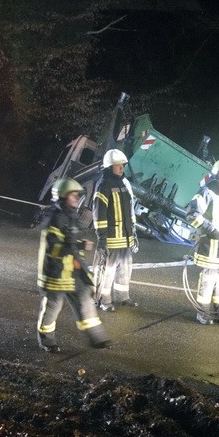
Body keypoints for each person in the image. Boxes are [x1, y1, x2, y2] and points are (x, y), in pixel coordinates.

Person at [36, 177, 110, 352]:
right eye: (73, 195)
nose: (77, 198)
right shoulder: (54, 219)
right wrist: (77, 246)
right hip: (55, 274)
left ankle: (97, 337)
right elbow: (54, 248)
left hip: (72, 271)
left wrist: (80, 252)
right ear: (62, 196)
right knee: (52, 308)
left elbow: (71, 245)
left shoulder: (71, 216)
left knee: (85, 301)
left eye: (78, 195)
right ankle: (47, 341)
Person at [186, 157, 219, 326]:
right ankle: (203, 312)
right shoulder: (207, 192)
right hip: (210, 245)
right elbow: (191, 214)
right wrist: (210, 229)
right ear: (217, 175)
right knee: (208, 279)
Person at [92, 149, 139, 311]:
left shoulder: (124, 184)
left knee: (126, 269)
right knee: (108, 271)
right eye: (118, 166)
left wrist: (133, 231)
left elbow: (130, 210)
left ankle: (122, 297)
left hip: (125, 237)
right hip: (111, 238)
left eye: (122, 166)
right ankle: (103, 300)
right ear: (109, 167)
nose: (121, 169)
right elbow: (99, 215)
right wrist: (101, 239)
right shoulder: (103, 186)